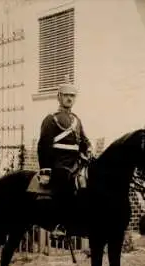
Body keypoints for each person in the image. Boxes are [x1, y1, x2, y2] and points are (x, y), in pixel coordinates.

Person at [37, 82, 93, 236]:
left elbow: (83, 140)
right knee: (64, 182)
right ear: (59, 97)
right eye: (66, 95)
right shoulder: (51, 119)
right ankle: (59, 224)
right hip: (59, 163)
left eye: (72, 96)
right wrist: (45, 171)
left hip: (76, 162)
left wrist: (88, 148)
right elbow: (43, 146)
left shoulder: (76, 120)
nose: (69, 99)